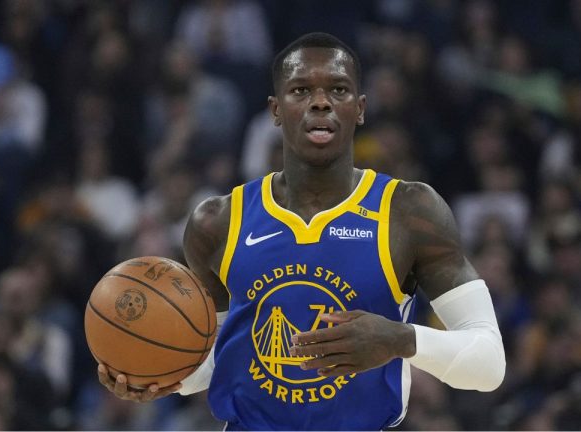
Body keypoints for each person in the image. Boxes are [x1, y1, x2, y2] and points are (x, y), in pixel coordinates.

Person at [97, 32, 506, 430]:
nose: (321, 103)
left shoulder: (410, 211)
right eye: (301, 91)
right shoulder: (217, 221)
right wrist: (158, 377)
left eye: (339, 90)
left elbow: (489, 363)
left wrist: (401, 339)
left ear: (360, 108)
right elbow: (217, 357)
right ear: (275, 110)